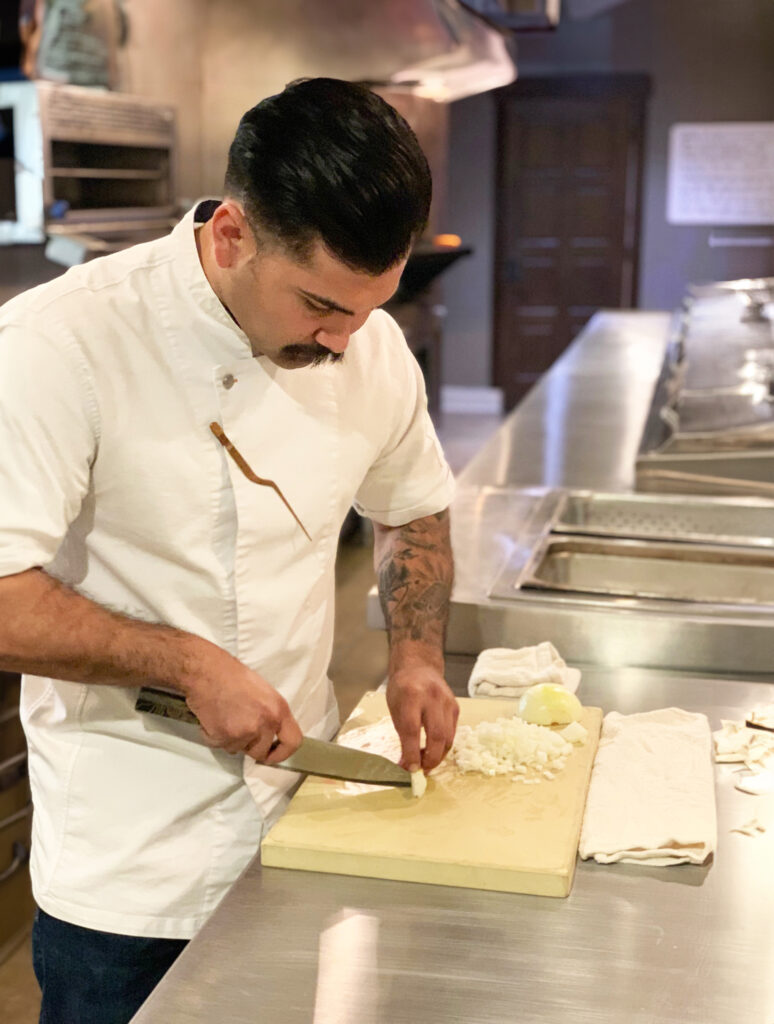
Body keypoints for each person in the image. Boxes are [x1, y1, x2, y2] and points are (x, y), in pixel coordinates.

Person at [0, 77, 458, 1023]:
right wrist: (187, 662)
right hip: (128, 870)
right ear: (230, 236)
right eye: (321, 306)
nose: (343, 340)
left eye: (369, 310)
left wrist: (416, 657)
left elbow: (413, 506)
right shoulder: (59, 344)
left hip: (300, 823)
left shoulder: (364, 346)